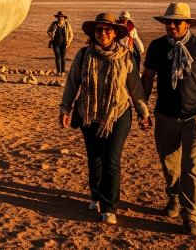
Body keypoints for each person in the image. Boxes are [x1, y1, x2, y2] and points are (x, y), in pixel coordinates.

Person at [141, 2, 196, 237]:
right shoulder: (157, 47)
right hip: (164, 116)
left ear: (187, 23)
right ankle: (174, 198)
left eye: (177, 22)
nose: (172, 25)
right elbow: (147, 78)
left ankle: (191, 215)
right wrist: (143, 110)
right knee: (169, 164)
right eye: (168, 21)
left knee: (193, 168)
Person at [59, 13, 150, 225]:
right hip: (88, 114)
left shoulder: (125, 56)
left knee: (111, 160)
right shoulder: (84, 55)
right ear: (93, 33)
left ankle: (109, 207)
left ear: (115, 33)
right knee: (94, 159)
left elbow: (135, 87)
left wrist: (143, 112)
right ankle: (96, 195)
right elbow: (72, 83)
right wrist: (65, 108)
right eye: (99, 30)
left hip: (118, 114)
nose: (103, 33)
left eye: (108, 29)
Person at [47, 11, 73, 76]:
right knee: (57, 56)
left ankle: (63, 71)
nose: (60, 18)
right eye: (59, 16)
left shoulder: (67, 25)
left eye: (62, 16)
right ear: (57, 17)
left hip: (64, 44)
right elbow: (48, 31)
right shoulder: (54, 24)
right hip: (55, 43)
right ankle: (59, 71)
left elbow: (71, 34)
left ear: (64, 17)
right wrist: (51, 34)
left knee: (63, 57)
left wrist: (69, 42)